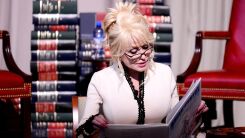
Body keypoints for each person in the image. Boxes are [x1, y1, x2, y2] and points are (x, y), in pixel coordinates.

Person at [76, 2, 208, 137]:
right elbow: (81, 133)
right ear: (117, 52)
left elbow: (178, 126)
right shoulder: (101, 79)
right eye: (133, 51)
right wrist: (91, 125)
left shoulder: (164, 73)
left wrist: (194, 116)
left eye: (146, 47)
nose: (143, 56)